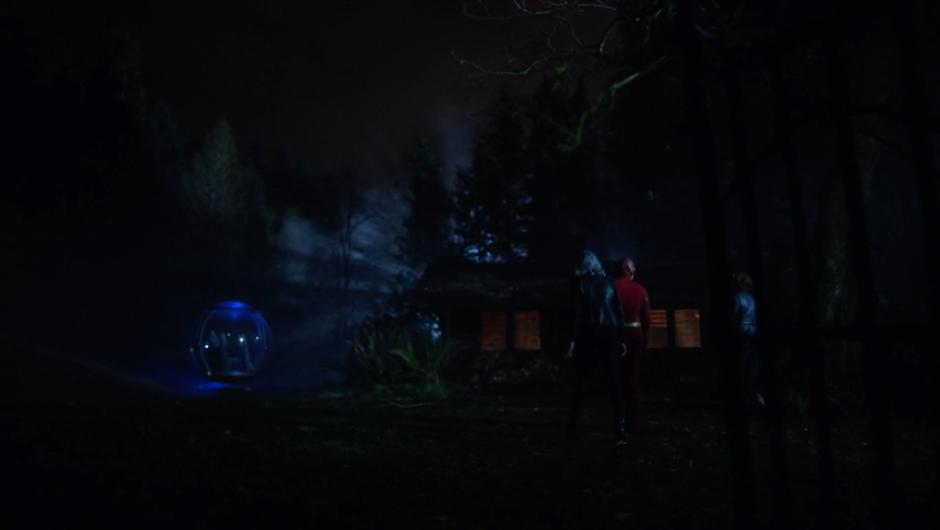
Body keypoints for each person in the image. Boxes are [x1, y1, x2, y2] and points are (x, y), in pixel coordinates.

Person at [565, 250, 628, 443]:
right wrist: (621, 339)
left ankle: (573, 425)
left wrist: (572, 342)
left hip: (588, 334)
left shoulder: (579, 284)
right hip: (610, 335)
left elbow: (577, 315)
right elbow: (618, 313)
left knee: (581, 380)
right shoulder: (609, 282)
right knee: (614, 382)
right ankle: (619, 427)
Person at [614, 257, 651, 432]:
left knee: (618, 378)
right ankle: (633, 421)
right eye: (633, 268)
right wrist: (645, 338)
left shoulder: (611, 287)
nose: (635, 271)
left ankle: (619, 420)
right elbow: (647, 319)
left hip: (616, 336)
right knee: (633, 378)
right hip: (635, 335)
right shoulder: (640, 289)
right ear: (628, 270)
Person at [732, 272, 763, 408]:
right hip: (754, 332)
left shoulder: (738, 297)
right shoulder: (752, 298)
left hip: (742, 332)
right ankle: (751, 392)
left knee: (742, 363)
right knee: (751, 363)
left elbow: (735, 314)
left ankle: (744, 394)